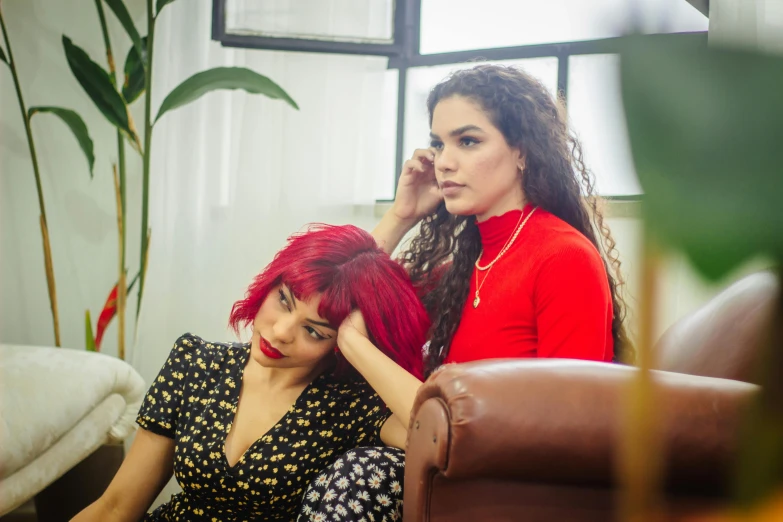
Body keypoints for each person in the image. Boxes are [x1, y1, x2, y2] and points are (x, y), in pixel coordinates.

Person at [299, 63, 633, 520]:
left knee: (358, 475)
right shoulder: (457, 272)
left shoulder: (563, 258)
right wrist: (402, 215)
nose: (443, 161)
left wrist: (355, 345)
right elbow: (327, 303)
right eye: (438, 143)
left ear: (522, 152)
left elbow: (574, 433)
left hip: (509, 491)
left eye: (468, 141)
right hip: (443, 475)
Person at [72, 224, 430, 522]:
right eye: (284, 300)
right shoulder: (196, 362)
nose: (280, 332)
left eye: (314, 331)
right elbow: (117, 506)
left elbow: (437, 435)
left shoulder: (350, 405)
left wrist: (355, 344)